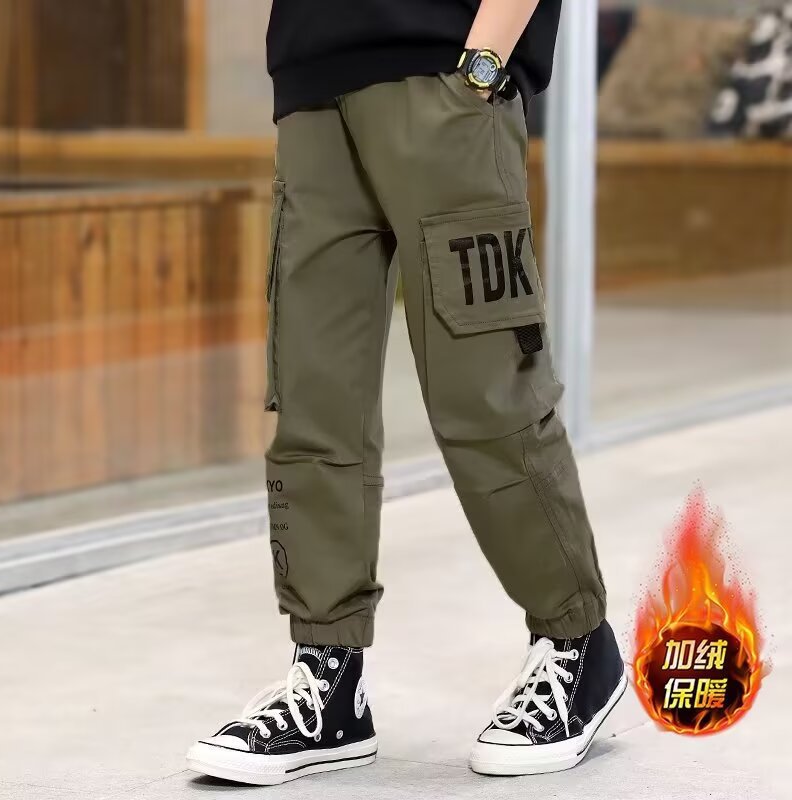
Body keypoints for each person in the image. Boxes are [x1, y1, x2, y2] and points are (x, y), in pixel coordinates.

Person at [187, 0, 626, 785]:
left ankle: (577, 643)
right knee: (314, 401)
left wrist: (483, 65)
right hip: (314, 81)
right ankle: (329, 676)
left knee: (486, 392)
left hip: (446, 72)